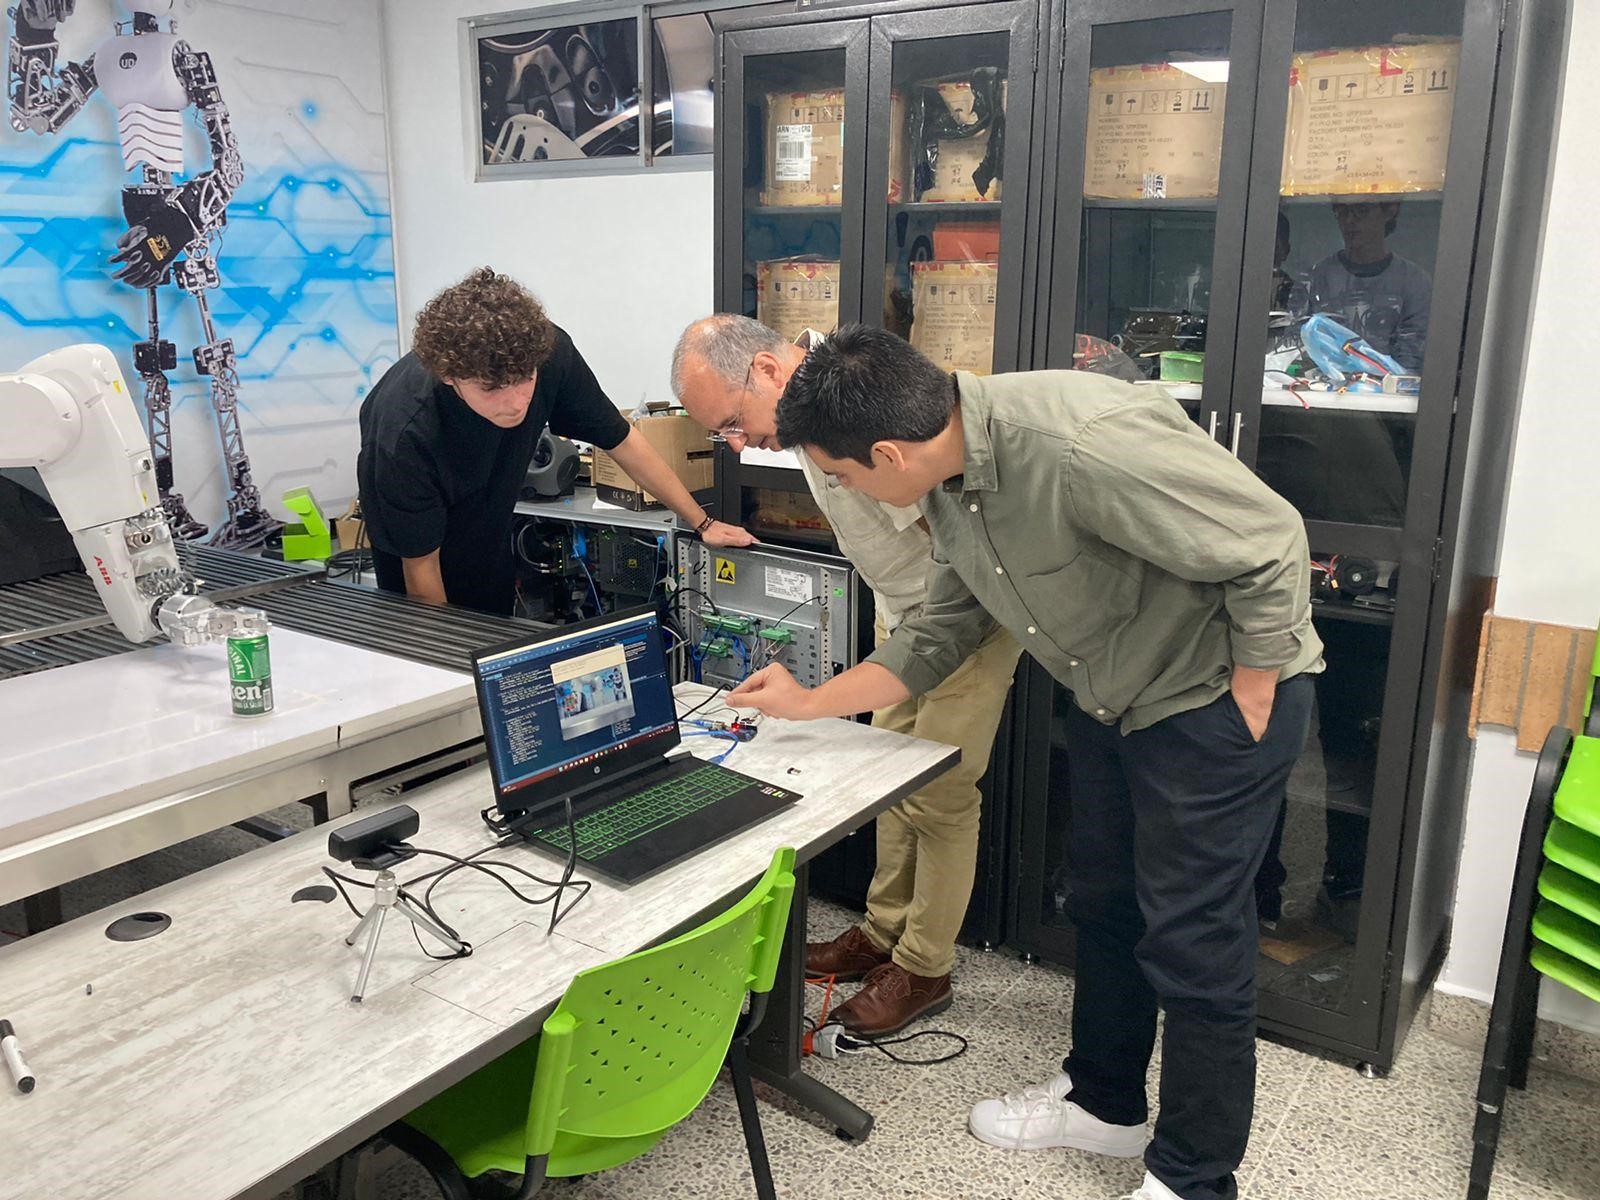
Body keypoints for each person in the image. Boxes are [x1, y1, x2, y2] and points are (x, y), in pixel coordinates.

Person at [728, 326, 1323, 1200]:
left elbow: (1271, 539)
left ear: (888, 453)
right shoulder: (950, 479)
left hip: (1211, 699)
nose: (846, 491)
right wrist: (810, 700)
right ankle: (1105, 1105)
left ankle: (1194, 1179)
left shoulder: (1077, 442)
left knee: (1196, 943)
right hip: (1114, 696)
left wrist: (1256, 693)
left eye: (844, 476)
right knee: (1106, 905)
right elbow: (939, 633)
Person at [670, 314, 1022, 1036]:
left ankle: (924, 967)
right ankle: (882, 934)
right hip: (899, 612)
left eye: (732, 422)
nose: (737, 443)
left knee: (942, 795)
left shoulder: (860, 401)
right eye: (720, 433)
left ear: (768, 371)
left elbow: (955, 529)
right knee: (887, 781)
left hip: (959, 621)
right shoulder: (805, 415)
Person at [358, 269, 752, 615]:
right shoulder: (405, 432)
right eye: (492, 388)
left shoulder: (546, 351)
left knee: (494, 627)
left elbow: (622, 440)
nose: (517, 402)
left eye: (525, 379)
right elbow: (420, 570)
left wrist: (703, 523)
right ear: (450, 377)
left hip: (488, 540)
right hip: (419, 566)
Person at [1307, 201, 1432, 372]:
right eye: (1342, 212)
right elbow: (1300, 347)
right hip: (1325, 385)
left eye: (1362, 210)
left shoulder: (1414, 281)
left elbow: (1411, 359)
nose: (1350, 220)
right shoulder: (1318, 276)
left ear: (1389, 212)